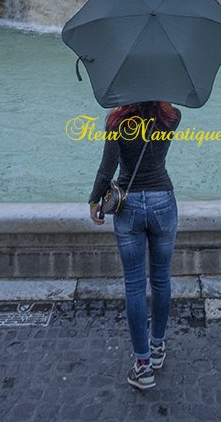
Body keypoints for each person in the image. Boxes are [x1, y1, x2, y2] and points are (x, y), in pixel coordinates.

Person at [88, 100, 182, 390]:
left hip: (128, 205)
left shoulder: (117, 121)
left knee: (134, 286)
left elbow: (108, 168)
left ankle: (143, 366)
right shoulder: (171, 117)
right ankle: (157, 348)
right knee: (162, 280)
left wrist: (94, 200)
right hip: (162, 201)